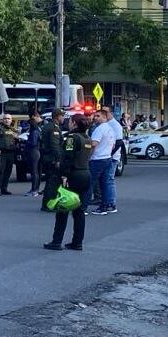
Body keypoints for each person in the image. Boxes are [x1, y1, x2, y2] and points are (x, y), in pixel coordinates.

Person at [44, 114, 91, 251]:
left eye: (70, 121)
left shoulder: (72, 138)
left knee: (63, 209)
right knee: (79, 211)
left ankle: (56, 241)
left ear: (74, 124)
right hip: (85, 174)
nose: (68, 123)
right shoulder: (87, 138)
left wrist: (64, 175)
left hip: (73, 175)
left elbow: (68, 157)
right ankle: (77, 242)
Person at [87, 110, 117, 215]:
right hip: (107, 157)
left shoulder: (99, 129)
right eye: (95, 116)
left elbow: (93, 144)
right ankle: (108, 205)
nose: (95, 118)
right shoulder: (110, 129)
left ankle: (84, 206)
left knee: (89, 182)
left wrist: (88, 157)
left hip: (97, 159)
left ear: (104, 117)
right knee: (106, 183)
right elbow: (113, 145)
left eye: (98, 116)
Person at [39, 108, 64, 210]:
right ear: (58, 116)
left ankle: (48, 204)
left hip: (47, 157)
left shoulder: (48, 126)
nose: (63, 118)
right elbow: (55, 145)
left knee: (50, 182)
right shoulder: (54, 128)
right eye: (62, 116)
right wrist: (58, 159)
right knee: (52, 183)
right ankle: (49, 205)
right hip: (51, 158)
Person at [0, 113, 18, 195]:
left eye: (8, 118)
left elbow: (16, 142)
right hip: (1, 153)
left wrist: (17, 138)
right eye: (5, 118)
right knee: (0, 171)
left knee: (8, 172)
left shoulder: (13, 130)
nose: (7, 120)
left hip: (11, 153)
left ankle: (4, 188)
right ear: (2, 120)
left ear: (11, 120)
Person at [24, 112, 42, 196]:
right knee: (36, 171)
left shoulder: (34, 131)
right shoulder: (38, 129)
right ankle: (35, 189)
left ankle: (34, 190)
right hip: (37, 151)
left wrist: (27, 141)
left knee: (34, 171)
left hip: (33, 151)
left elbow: (33, 142)